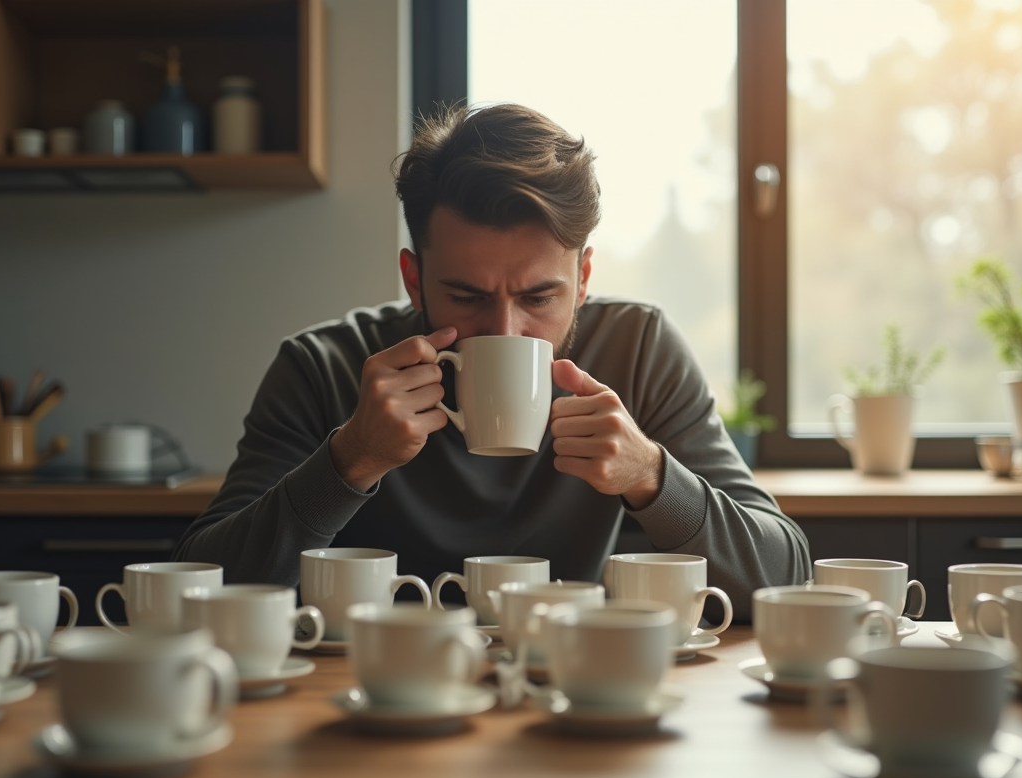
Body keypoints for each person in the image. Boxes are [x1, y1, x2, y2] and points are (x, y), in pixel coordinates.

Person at [174, 103, 810, 618]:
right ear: (413, 279)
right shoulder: (320, 366)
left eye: (539, 296)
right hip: (380, 692)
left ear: (583, 277)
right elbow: (197, 592)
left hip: (565, 690)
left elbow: (785, 577)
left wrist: (652, 477)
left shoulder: (638, 349)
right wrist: (350, 460)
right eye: (466, 296)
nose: (506, 330)